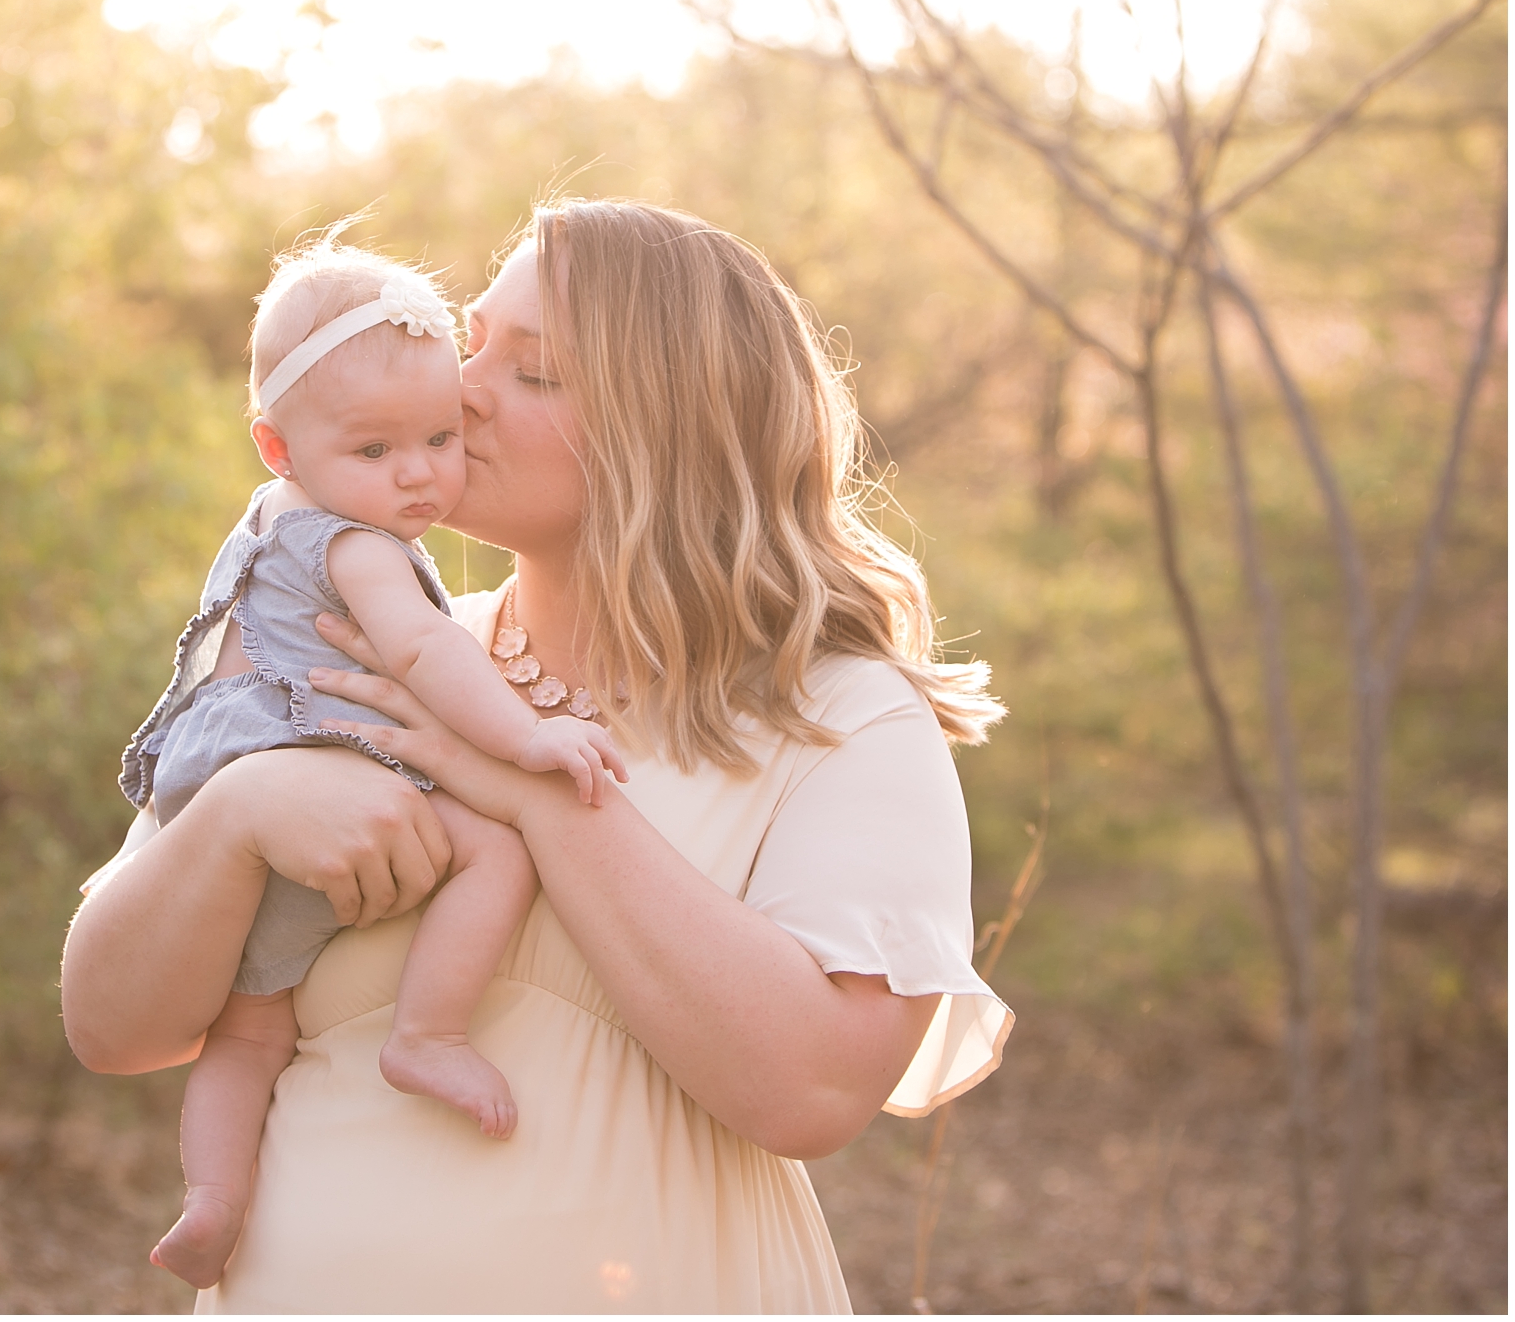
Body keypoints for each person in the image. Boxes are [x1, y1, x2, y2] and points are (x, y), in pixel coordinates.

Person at [64, 198, 1013, 1312]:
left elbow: (809, 1090)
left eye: (535, 372)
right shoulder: (363, 651)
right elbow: (111, 1025)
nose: (461, 390)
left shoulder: (843, 719)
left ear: (675, 429)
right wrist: (240, 814)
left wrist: (543, 801)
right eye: (473, 343)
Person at [129, 243, 627, 1287]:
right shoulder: (355, 546)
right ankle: (428, 1033)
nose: (417, 473)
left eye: (440, 438)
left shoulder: (264, 526)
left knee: (250, 1029)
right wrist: (526, 736)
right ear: (277, 446)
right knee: (496, 850)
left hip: (233, 796)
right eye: (375, 449)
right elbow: (424, 651)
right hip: (312, 774)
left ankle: (212, 1202)